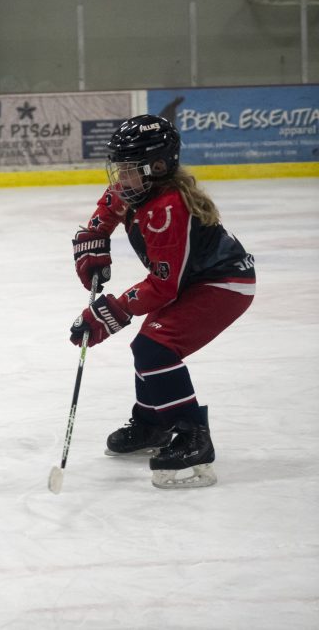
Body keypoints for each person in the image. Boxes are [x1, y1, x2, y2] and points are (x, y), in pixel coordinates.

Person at [69, 114, 255, 489]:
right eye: (119, 168)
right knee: (148, 346)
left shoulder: (167, 209)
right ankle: (153, 422)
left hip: (223, 285)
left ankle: (192, 437)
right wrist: (94, 240)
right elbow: (109, 207)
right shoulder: (139, 189)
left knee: (155, 348)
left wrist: (110, 312)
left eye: (129, 169)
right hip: (193, 281)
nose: (120, 178)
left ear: (157, 167)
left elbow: (163, 287)